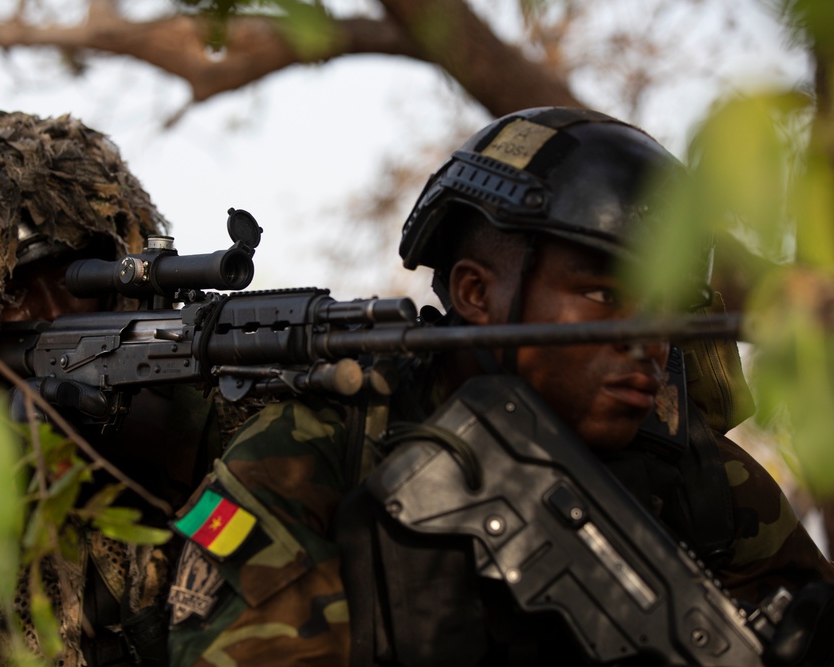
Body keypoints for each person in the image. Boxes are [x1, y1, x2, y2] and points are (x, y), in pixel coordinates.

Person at [164, 107, 834, 666]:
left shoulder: (701, 480)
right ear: (476, 293)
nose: (648, 341)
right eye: (604, 294)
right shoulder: (317, 447)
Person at [0, 103, 253, 667]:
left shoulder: (199, 392)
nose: (56, 310)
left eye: (74, 276)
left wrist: (180, 438)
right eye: (12, 292)